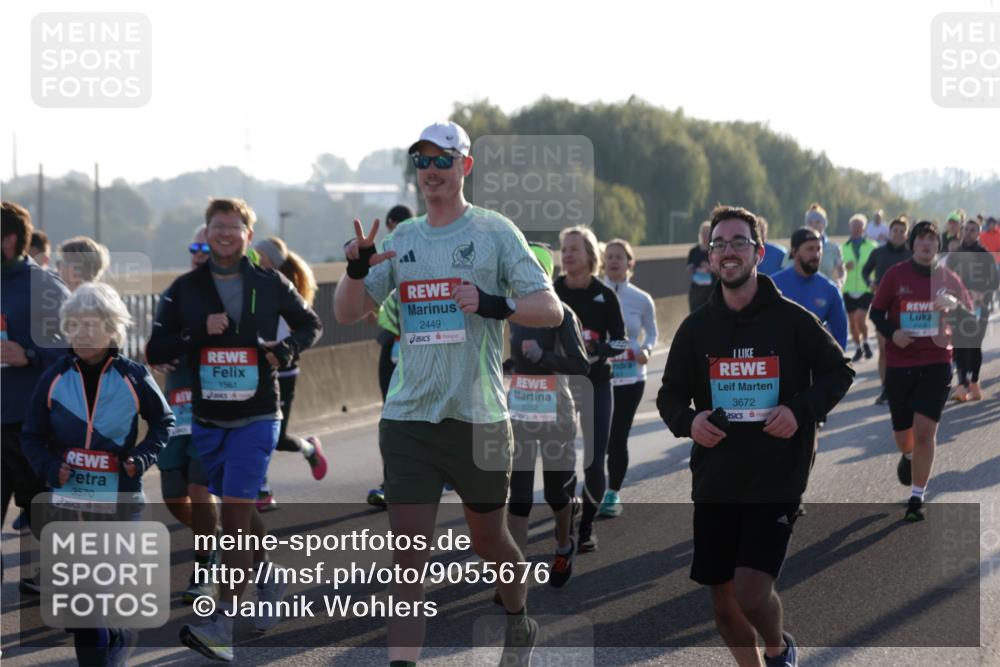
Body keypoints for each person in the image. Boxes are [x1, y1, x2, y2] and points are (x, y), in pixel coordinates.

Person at [334, 120, 562, 667]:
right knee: (408, 558)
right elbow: (346, 313)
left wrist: (493, 303)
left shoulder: (494, 232)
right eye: (423, 161)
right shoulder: (403, 237)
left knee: (490, 543)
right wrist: (356, 267)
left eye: (443, 160)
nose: (431, 171)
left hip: (477, 416)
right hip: (409, 418)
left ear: (465, 166)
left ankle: (517, 617)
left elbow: (550, 309)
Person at [658, 204, 854, 667]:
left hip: (775, 477)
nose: (728, 251)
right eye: (719, 244)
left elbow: (838, 372)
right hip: (717, 479)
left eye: (739, 243)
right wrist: (690, 423)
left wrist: (799, 410)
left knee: (750, 590)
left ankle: (779, 647)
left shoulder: (792, 320)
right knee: (723, 604)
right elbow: (669, 398)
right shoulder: (695, 330)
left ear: (760, 253)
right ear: (709, 258)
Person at [147, 197, 322, 662]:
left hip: (259, 415)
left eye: (234, 227)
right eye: (216, 227)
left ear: (248, 234)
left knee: (235, 517)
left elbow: (311, 324)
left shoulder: (269, 282)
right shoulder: (185, 289)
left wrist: (283, 352)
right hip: (207, 418)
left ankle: (223, 625)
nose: (224, 234)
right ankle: (270, 577)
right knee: (233, 508)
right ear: (206, 232)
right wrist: (196, 333)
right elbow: (155, 345)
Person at [21, 281, 174, 666]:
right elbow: (32, 436)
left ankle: (118, 643)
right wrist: (51, 468)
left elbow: (163, 423)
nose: (82, 333)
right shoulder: (55, 377)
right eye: (74, 325)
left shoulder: (133, 376)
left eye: (91, 324)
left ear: (112, 327)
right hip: (68, 504)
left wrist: (140, 458)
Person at [869, 221, 972, 522]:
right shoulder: (895, 275)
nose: (927, 244)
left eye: (932, 239)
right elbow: (876, 312)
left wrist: (953, 305)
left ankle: (917, 497)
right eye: (922, 239)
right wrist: (892, 332)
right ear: (913, 245)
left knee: (926, 432)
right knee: (904, 436)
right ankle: (909, 456)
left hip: (937, 361)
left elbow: (969, 317)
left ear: (938, 246)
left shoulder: (948, 278)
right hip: (900, 364)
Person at [506, 241, 589, 588]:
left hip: (556, 412)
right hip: (521, 412)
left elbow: (581, 364)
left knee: (557, 493)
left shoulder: (561, 313)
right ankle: (513, 573)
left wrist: (543, 356)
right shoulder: (512, 312)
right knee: (519, 496)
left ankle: (563, 544)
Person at [148, 226, 220, 603]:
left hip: (213, 408)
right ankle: (217, 540)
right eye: (194, 246)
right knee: (174, 494)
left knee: (199, 488)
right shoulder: (177, 292)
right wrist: (168, 350)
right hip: (177, 405)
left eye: (206, 247)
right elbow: (154, 348)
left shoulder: (230, 293)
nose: (199, 253)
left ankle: (205, 567)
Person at [1, 201, 70, 566]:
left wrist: (28, 355)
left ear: (9, 240)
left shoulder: (45, 286)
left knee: (47, 525)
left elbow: (79, 354)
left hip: (31, 429)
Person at [555, 226, 628, 553]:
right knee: (563, 463)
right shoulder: (553, 292)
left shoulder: (605, 295)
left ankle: (585, 530)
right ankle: (567, 521)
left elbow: (621, 340)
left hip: (597, 382)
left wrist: (598, 348)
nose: (567, 255)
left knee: (595, 461)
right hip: (562, 387)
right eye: (564, 249)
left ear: (589, 256)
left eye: (574, 249)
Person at [253, 236, 329, 511]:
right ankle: (262, 490)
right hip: (257, 370)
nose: (250, 257)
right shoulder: (250, 284)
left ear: (269, 260)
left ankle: (310, 449)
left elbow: (310, 326)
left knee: (276, 438)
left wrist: (284, 348)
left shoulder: (281, 287)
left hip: (284, 370)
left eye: (256, 254)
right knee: (259, 433)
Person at [599, 238, 657, 517]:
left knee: (618, 435)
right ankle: (593, 489)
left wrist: (646, 348)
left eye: (618, 257)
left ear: (629, 263)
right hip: (599, 375)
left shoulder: (641, 298)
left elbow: (652, 333)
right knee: (599, 436)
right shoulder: (594, 293)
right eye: (609, 256)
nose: (613, 261)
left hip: (632, 377)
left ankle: (612, 493)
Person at [368, 204, 414, 509]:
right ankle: (390, 482)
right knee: (390, 417)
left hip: (424, 350)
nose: (394, 232)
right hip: (392, 350)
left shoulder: (428, 250)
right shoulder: (386, 257)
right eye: (390, 226)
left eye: (399, 226)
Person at [945, 218, 999, 401]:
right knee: (959, 346)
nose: (968, 232)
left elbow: (994, 282)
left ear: (978, 233)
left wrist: (982, 293)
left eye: (972, 230)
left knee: (974, 345)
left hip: (979, 308)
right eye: (966, 229)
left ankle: (974, 382)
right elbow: (946, 280)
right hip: (959, 308)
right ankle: (961, 385)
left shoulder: (985, 255)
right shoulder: (955, 255)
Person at [862, 216, 912, 404]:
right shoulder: (878, 252)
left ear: (906, 234)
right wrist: (870, 283)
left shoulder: (910, 254)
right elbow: (865, 271)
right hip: (882, 305)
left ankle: (906, 384)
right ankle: (886, 388)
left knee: (906, 346)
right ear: (889, 233)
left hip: (906, 308)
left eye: (902, 231)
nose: (898, 234)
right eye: (895, 231)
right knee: (884, 348)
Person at [772, 228, 849, 350]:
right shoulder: (773, 284)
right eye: (810, 249)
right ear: (794, 251)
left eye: (819, 249)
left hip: (815, 363)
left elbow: (840, 337)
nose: (816, 255)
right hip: (779, 361)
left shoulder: (830, 290)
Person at [841, 214, 878, 361]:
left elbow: (877, 267)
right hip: (848, 287)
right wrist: (844, 267)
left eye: (859, 226)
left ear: (864, 228)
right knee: (852, 322)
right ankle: (858, 347)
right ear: (850, 228)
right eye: (853, 226)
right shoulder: (843, 247)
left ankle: (866, 342)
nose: (856, 228)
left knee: (860, 319)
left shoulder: (872, 247)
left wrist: (875, 282)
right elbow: (837, 268)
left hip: (865, 287)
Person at [794, 203, 844, 287]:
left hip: (825, 294)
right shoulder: (797, 247)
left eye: (818, 222)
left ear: (824, 223)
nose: (814, 225)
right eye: (810, 222)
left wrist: (840, 281)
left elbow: (841, 270)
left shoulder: (834, 248)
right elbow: (787, 269)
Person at [687, 220, 715, 312]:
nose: (705, 235)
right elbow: (689, 268)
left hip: (710, 291)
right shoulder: (693, 251)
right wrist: (694, 268)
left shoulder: (715, 250)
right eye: (703, 233)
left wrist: (709, 268)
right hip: (696, 290)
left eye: (707, 233)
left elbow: (719, 269)